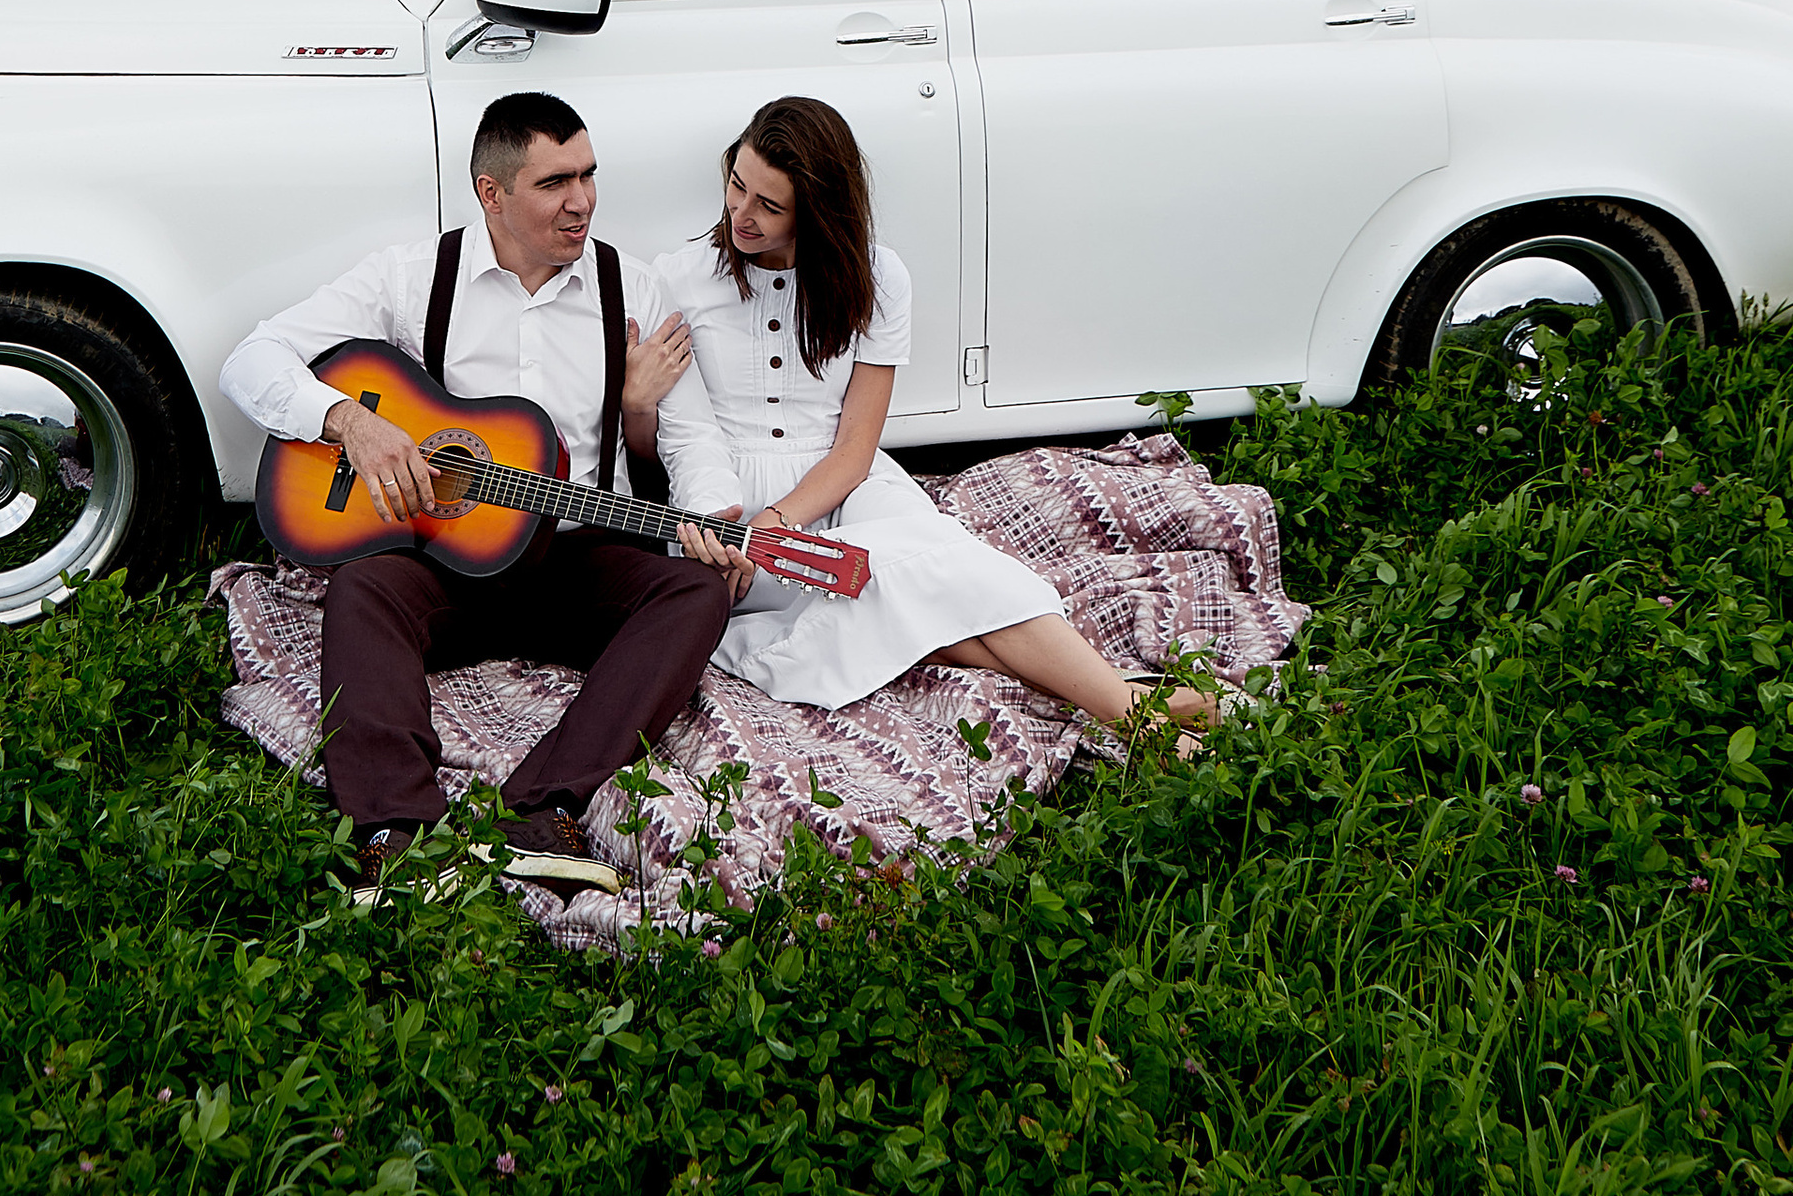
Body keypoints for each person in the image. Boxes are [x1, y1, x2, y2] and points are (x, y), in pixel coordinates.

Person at [220, 92, 751, 903]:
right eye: (555, 183)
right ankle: (396, 831)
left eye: (590, 175)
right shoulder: (409, 277)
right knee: (361, 590)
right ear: (491, 193)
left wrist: (713, 516)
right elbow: (252, 361)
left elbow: (691, 438)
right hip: (447, 567)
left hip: (579, 559)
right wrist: (346, 425)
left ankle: (542, 808)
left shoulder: (630, 289)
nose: (582, 202)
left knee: (695, 587)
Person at [627, 94, 1220, 737]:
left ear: (819, 212)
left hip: (843, 482)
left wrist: (783, 521)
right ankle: (1136, 709)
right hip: (728, 511)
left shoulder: (877, 278)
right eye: (737, 187)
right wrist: (736, 531)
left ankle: (1132, 715)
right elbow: (690, 438)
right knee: (918, 589)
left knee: (945, 562)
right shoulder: (678, 278)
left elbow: (855, 450)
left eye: (770, 206)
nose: (742, 214)